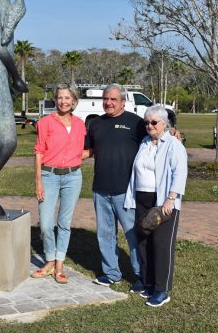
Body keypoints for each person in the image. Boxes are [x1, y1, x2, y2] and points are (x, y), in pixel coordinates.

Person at [83, 84, 146, 290]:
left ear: (123, 102)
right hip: (100, 190)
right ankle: (111, 273)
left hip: (126, 191)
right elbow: (88, 151)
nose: (108, 103)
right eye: (105, 99)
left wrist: (173, 133)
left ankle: (141, 276)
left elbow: (154, 139)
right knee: (105, 234)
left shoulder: (136, 123)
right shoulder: (95, 124)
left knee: (132, 235)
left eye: (113, 99)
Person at [124, 105, 187, 307]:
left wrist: (171, 198)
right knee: (143, 241)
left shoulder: (174, 145)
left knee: (161, 245)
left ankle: (162, 289)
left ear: (165, 123)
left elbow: (180, 173)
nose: (149, 126)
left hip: (162, 202)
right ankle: (149, 282)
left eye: (154, 122)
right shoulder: (144, 142)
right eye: (146, 122)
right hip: (142, 198)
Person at [31, 84, 86, 284]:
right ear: (56, 100)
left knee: (64, 223)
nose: (64, 101)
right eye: (60, 97)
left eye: (67, 98)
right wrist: (38, 182)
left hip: (73, 178)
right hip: (49, 176)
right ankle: (50, 260)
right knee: (45, 224)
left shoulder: (80, 124)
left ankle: (59, 265)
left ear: (74, 101)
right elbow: (39, 152)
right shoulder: (45, 122)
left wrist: (78, 158)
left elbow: (88, 148)